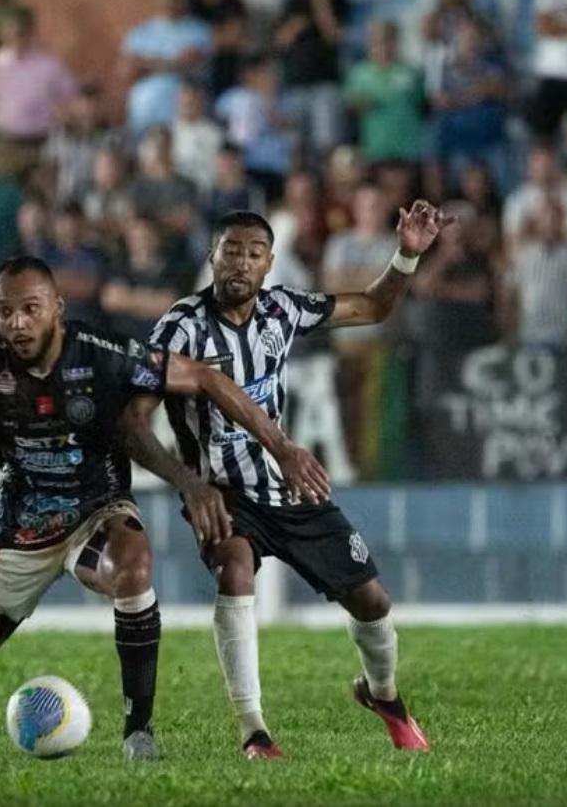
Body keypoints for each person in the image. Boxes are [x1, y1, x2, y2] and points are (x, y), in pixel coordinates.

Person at [0, 255, 328, 759]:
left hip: (96, 514)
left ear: (58, 308)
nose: (18, 322)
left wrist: (279, 448)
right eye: (5, 311)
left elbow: (205, 378)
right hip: (20, 533)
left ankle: (138, 732)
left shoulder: (104, 354)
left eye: (30, 308)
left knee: (133, 565)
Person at [133, 204, 452, 757]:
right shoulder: (180, 327)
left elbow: (374, 305)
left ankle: (385, 697)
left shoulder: (283, 310)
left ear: (270, 264)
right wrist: (188, 482)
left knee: (372, 602)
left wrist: (407, 254)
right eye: (230, 250)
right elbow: (135, 415)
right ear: (212, 255)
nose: (241, 263)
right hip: (224, 494)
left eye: (254, 254)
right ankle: (254, 732)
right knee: (235, 569)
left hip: (290, 487)